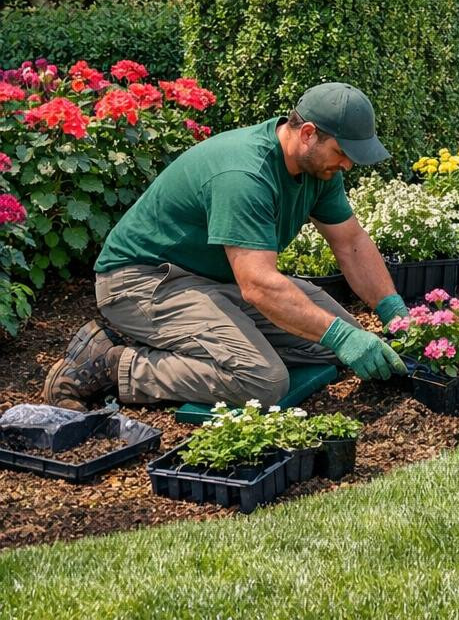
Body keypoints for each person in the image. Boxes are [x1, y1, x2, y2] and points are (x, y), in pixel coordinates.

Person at [44, 82, 410, 410]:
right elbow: (259, 285)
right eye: (342, 152)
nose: (347, 163)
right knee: (264, 381)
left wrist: (394, 311)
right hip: (143, 282)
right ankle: (111, 364)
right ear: (309, 134)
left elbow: (352, 244)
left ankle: (212, 346)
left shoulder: (319, 169)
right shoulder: (245, 176)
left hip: (213, 280)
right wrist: (340, 334)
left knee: (335, 346)